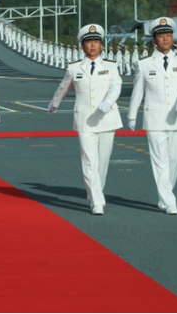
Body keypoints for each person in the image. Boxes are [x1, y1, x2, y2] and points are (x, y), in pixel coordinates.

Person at [49, 24, 123, 215]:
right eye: (89, 42)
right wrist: (54, 103)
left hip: (107, 119)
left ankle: (94, 192)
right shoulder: (75, 68)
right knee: (89, 161)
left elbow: (116, 87)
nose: (93, 45)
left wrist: (108, 102)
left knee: (103, 163)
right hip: (84, 120)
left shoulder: (111, 65)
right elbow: (63, 87)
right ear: (82, 45)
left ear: (101, 45)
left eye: (96, 41)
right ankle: (97, 201)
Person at [128, 17, 177, 215]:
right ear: (154, 40)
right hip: (154, 118)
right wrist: (132, 115)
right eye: (161, 35)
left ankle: (164, 195)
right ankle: (170, 201)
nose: (165, 39)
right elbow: (137, 92)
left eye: (168, 35)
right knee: (160, 161)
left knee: (175, 159)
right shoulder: (145, 64)